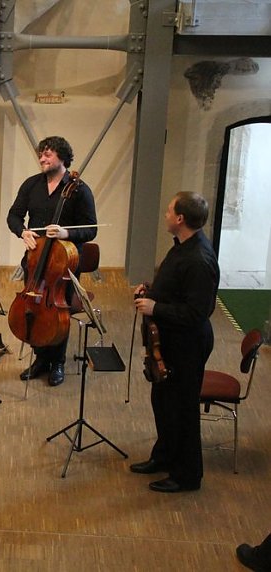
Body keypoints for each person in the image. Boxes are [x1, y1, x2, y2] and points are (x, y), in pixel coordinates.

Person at [130, 191, 219, 493]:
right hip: (170, 340)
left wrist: (156, 308)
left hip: (188, 344)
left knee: (182, 408)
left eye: (169, 211)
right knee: (163, 401)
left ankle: (186, 475)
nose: (166, 215)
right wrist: (152, 290)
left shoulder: (198, 259)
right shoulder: (182, 246)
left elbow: (197, 311)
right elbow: (177, 289)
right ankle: (165, 456)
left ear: (180, 218)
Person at [6, 135, 97, 386]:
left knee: (58, 310)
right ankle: (40, 359)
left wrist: (67, 233)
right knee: (34, 308)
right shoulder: (31, 185)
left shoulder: (79, 190)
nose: (42, 158)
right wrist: (22, 231)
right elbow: (14, 215)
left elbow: (91, 229)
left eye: (47, 154)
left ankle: (57, 361)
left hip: (63, 263)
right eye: (40, 154)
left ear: (62, 158)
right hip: (35, 260)